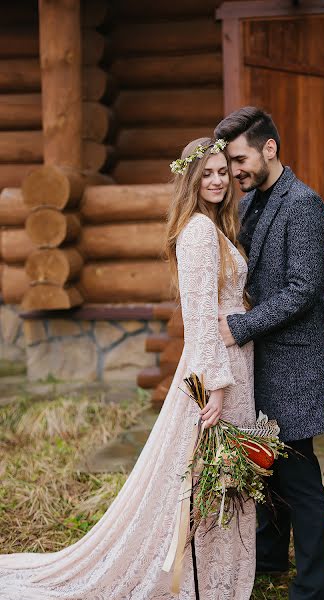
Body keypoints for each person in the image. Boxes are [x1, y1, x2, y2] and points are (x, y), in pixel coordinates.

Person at [0, 137, 257, 600]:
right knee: (207, 477)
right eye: (208, 174)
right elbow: (199, 319)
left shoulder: (217, 226)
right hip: (218, 370)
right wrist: (215, 387)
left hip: (236, 361)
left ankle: (216, 578)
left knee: (222, 477)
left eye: (223, 172)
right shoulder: (199, 232)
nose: (218, 180)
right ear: (191, 180)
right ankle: (199, 581)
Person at [215, 107, 324, 599]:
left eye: (239, 159)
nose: (234, 170)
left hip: (293, 361)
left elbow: (302, 288)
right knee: (266, 465)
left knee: (299, 474)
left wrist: (239, 326)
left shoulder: (303, 203)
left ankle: (312, 586)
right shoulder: (252, 204)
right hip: (260, 360)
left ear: (269, 148)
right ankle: (268, 558)